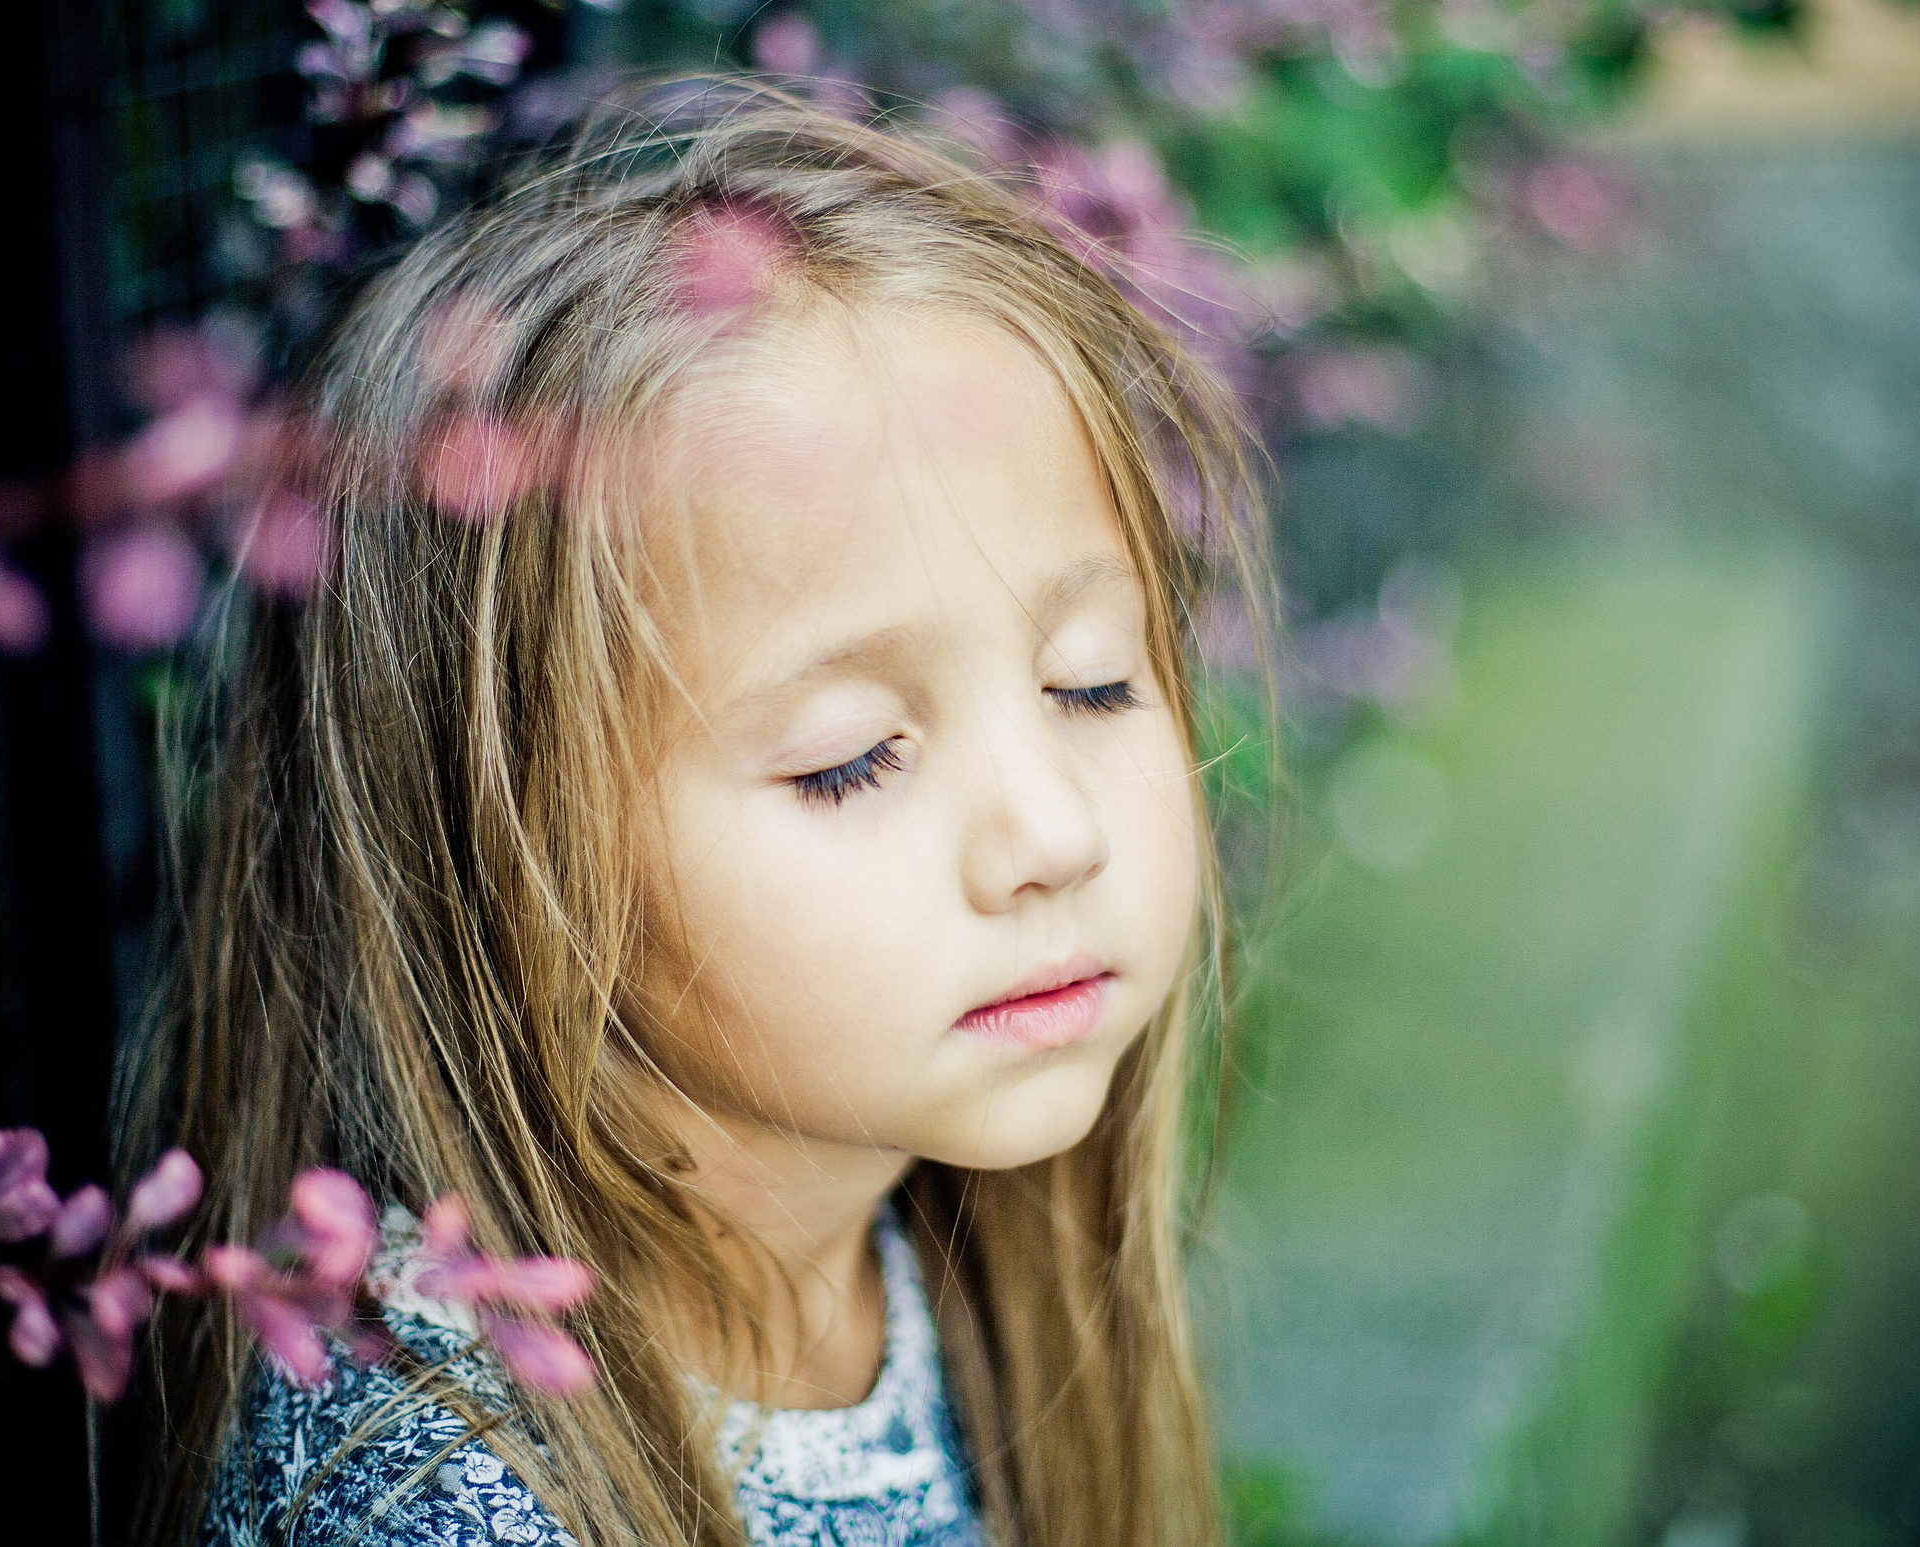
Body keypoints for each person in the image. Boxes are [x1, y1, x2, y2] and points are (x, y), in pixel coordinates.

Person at [120, 84, 1266, 1547]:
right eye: (851, 761)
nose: (1055, 836)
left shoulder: (931, 1243)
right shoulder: (451, 1507)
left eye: (1094, 685)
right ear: (508, 851)